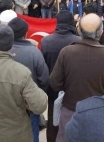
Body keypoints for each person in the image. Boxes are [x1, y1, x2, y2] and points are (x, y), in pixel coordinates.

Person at [50, 14, 104, 142]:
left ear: (79, 30)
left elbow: (54, 82)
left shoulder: (67, 52)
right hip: (99, 113)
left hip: (71, 110)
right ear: (101, 32)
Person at [41, 11, 81, 142]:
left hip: (53, 89)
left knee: (53, 121)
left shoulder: (46, 41)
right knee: (72, 120)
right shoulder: (79, 41)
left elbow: (44, 66)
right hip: (74, 88)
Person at [8, 18, 49, 142]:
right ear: (26, 33)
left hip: (6, 100)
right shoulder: (34, 52)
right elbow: (44, 79)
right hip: (29, 101)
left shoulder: (3, 51)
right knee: (32, 133)